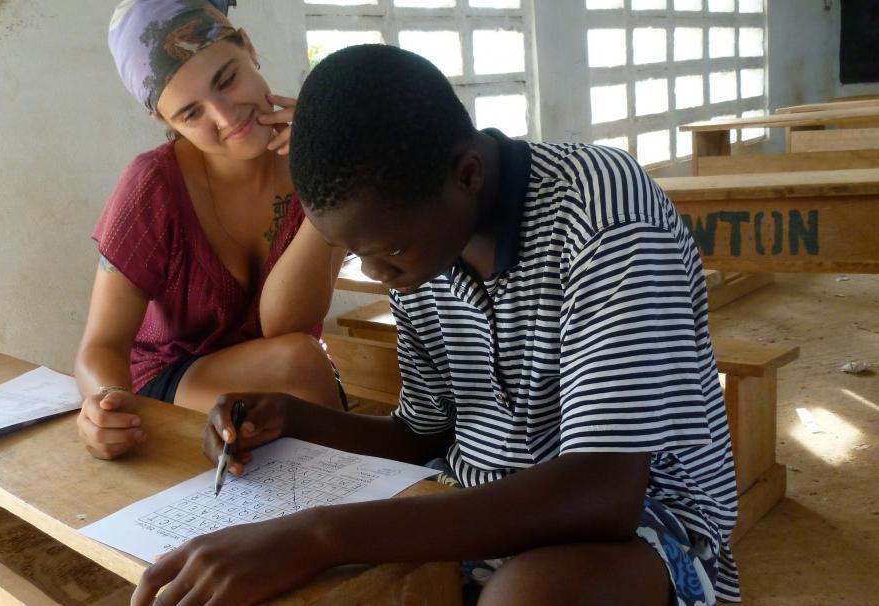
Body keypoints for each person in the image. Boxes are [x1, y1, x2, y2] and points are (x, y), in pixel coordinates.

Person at [130, 44, 740, 606]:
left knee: (528, 597)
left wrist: (318, 536)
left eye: (387, 251)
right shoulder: (421, 245)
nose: (377, 272)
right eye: (356, 254)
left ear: (467, 174)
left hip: (641, 522)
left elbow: (603, 493)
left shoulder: (603, 218)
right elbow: (424, 433)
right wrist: (292, 419)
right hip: (473, 506)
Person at [75, 0, 346, 460]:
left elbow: (285, 325)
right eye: (190, 114)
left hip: (287, 371)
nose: (225, 118)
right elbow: (100, 345)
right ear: (165, 122)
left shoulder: (323, 158)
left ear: (248, 46)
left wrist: (327, 181)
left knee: (300, 360)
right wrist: (105, 407)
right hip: (170, 381)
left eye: (227, 79)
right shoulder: (153, 186)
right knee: (300, 363)